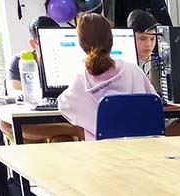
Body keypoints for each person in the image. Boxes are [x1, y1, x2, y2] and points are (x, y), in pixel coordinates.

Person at [58, 12, 159, 140]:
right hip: (142, 148)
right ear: (111, 39)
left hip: (104, 150)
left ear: (81, 44)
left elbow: (65, 105)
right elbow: (154, 102)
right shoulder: (134, 70)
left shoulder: (82, 79)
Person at [0, 16, 83, 143]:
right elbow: (15, 92)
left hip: (59, 116)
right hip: (33, 119)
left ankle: (70, 131)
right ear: (33, 43)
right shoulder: (20, 61)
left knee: (61, 139)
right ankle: (73, 130)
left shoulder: (66, 58)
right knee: (4, 124)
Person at [126, 9, 180, 136]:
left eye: (152, 39)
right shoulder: (126, 66)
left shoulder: (155, 62)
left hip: (156, 118)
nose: (148, 44)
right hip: (136, 121)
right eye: (142, 38)